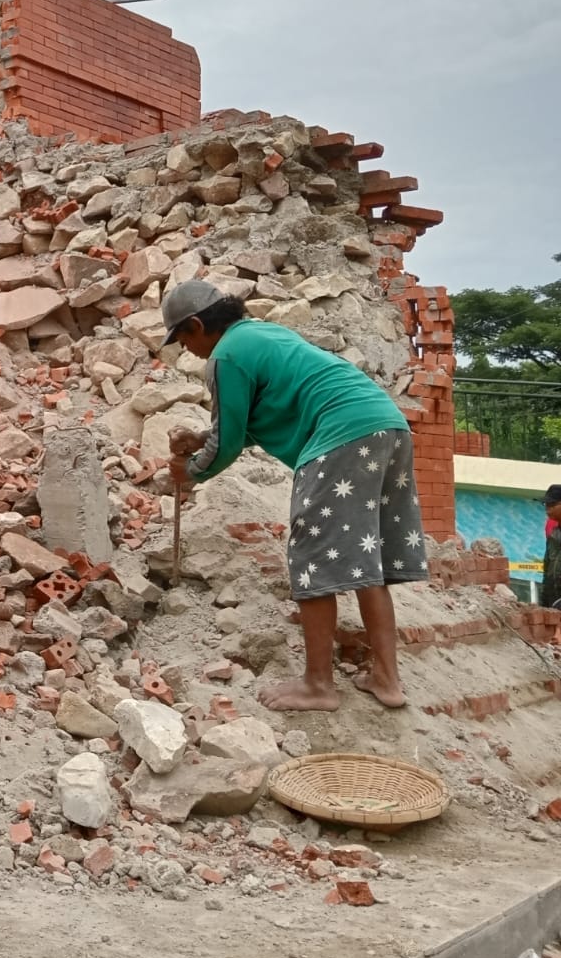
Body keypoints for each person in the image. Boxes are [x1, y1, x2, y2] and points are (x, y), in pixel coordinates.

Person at [160, 280, 428, 712]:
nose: (185, 349)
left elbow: (227, 445)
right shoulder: (264, 334)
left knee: (312, 555)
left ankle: (318, 685)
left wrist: (188, 471)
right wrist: (203, 437)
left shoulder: (226, 355)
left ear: (196, 324)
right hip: (386, 426)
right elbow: (258, 418)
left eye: (183, 338)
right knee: (366, 559)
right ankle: (386, 679)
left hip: (341, 435)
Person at [543, 484, 561, 609]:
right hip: (553, 603)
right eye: (546, 505)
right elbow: (547, 568)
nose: (547, 509)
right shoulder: (553, 535)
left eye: (552, 505)